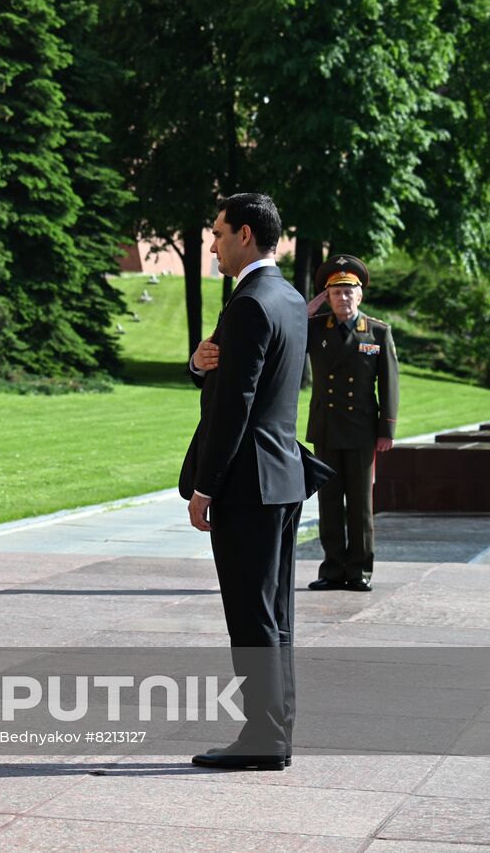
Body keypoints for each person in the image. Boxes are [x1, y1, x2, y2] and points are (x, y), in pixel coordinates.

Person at [179, 192, 329, 770]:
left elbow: (234, 407)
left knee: (251, 615)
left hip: (247, 484)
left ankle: (262, 739)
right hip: (282, 478)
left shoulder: (247, 303)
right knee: (275, 614)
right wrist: (196, 365)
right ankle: (275, 732)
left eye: (217, 234)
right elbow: (237, 381)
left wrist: (205, 485)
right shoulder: (288, 297)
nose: (213, 246)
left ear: (245, 234)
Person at [304, 255, 399, 592]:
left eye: (348, 292)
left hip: (361, 431)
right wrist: (310, 306)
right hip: (327, 428)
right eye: (335, 293)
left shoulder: (376, 332)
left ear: (360, 296)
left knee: (360, 504)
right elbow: (288, 328)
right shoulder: (315, 328)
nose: (342, 299)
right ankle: (332, 569)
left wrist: (386, 430)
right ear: (327, 297)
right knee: (328, 503)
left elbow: (389, 384)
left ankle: (359, 570)